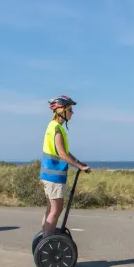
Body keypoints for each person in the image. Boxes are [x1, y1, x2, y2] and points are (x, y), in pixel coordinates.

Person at [39, 95, 91, 237]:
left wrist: (78, 162)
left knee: (51, 209)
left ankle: (44, 239)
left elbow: (65, 152)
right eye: (70, 109)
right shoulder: (56, 128)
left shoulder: (53, 126)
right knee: (55, 210)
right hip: (54, 176)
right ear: (61, 110)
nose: (72, 113)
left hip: (49, 175)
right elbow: (62, 154)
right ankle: (47, 241)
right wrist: (80, 167)